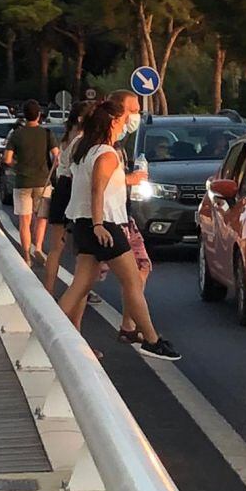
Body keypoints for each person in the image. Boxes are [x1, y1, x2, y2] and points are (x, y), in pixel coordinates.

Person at [57, 100, 180, 361]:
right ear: (113, 121)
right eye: (126, 117)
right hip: (104, 226)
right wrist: (100, 224)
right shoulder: (106, 153)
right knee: (132, 281)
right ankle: (151, 339)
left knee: (80, 285)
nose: (129, 122)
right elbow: (97, 190)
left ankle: (50, 333)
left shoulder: (84, 149)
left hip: (83, 223)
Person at [108, 89, 152, 344]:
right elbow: (97, 183)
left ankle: (129, 324)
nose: (136, 116)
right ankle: (149, 336)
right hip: (108, 222)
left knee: (140, 268)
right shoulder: (104, 145)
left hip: (122, 217)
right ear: (118, 113)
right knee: (84, 283)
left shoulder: (119, 144)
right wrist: (130, 179)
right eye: (133, 110)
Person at [43, 101, 94, 296]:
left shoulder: (65, 137)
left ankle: (48, 290)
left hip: (61, 188)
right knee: (82, 247)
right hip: (73, 188)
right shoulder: (82, 139)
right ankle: (81, 290)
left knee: (56, 247)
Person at [3, 100, 60, 266]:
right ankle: (39, 248)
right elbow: (57, 156)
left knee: (24, 220)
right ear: (39, 115)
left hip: (22, 182)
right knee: (41, 218)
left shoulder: (17, 134)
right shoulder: (47, 134)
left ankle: (26, 256)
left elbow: (7, 159)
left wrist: (17, 165)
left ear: (24, 115)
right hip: (43, 182)